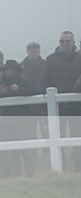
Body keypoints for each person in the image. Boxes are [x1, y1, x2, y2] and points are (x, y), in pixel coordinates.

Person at [42, 30, 81, 171]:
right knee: (57, 136)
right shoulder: (51, 59)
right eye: (61, 41)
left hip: (77, 107)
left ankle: (78, 167)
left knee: (78, 137)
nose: (64, 44)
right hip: (58, 107)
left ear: (73, 42)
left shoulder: (79, 58)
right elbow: (45, 82)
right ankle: (60, 167)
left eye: (67, 41)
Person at [0, 60, 38, 176]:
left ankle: (30, 173)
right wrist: (1, 93)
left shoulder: (23, 82)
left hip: (23, 120)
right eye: (7, 70)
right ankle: (16, 173)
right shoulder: (1, 83)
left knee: (25, 148)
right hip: (8, 121)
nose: (9, 72)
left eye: (11, 70)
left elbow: (34, 90)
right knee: (13, 150)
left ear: (16, 71)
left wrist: (19, 89)